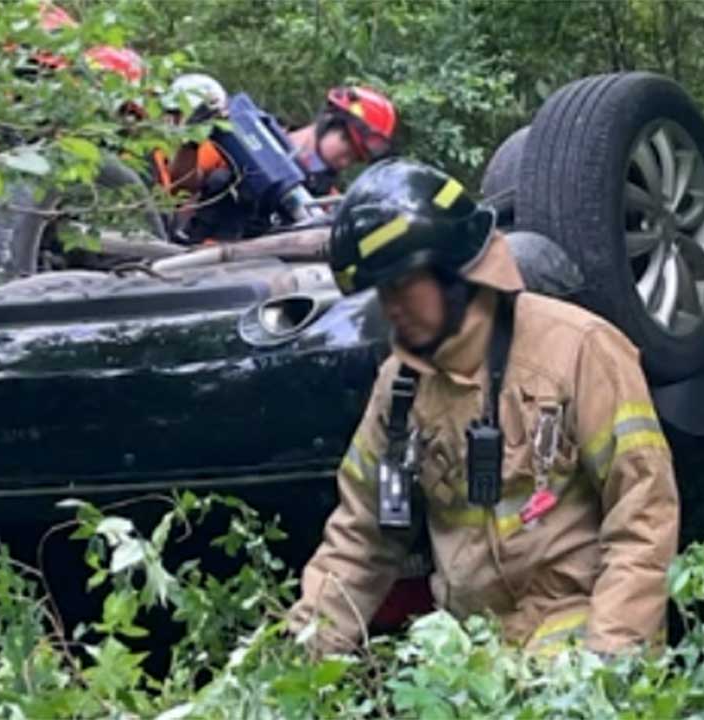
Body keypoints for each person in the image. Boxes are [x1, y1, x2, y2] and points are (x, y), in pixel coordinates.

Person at [287, 158, 679, 657]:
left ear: (454, 272)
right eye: (381, 293)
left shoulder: (579, 350)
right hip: (471, 655)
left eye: (403, 286)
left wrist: (611, 662)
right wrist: (297, 663)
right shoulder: (399, 390)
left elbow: (643, 518)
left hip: (579, 634)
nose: (392, 308)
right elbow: (360, 539)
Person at [170, 85, 397, 243]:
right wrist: (191, 142)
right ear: (329, 122)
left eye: (356, 159)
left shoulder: (322, 201)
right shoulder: (247, 139)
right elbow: (182, 184)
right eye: (347, 145)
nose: (345, 161)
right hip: (196, 261)